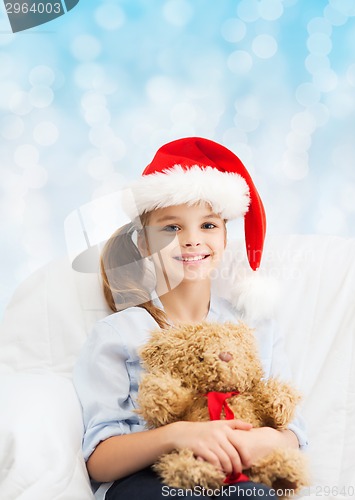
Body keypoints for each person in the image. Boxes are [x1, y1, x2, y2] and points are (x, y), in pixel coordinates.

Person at [73, 137, 308, 500]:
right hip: (151, 483)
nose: (192, 240)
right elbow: (99, 460)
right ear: (144, 244)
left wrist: (263, 440)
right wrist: (180, 434)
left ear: (226, 235)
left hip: (238, 483)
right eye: (171, 227)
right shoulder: (120, 333)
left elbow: (293, 434)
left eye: (208, 225)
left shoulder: (256, 326)